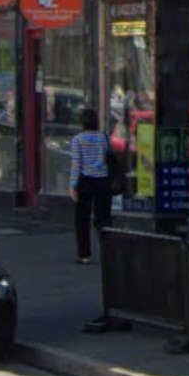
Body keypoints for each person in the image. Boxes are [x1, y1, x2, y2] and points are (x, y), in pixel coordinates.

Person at [68, 107, 114, 265]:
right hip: (103, 181)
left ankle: (84, 254)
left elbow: (76, 164)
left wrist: (73, 186)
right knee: (103, 219)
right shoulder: (103, 138)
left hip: (85, 181)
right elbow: (109, 158)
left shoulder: (77, 140)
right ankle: (108, 252)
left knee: (82, 219)